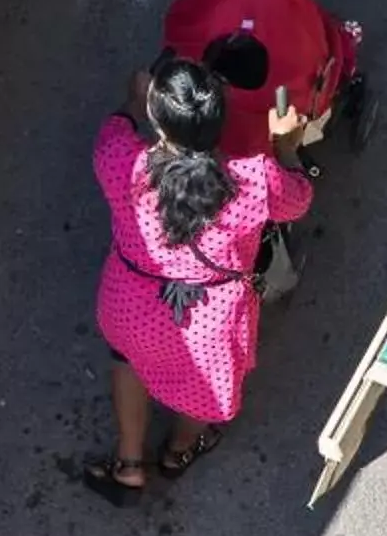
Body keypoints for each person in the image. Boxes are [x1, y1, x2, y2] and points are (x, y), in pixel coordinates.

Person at [84, 54, 312, 503]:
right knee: (201, 389)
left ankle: (129, 462)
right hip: (208, 321)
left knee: (128, 359)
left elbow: (116, 127)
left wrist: (133, 100)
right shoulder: (252, 183)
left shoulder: (119, 160)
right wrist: (287, 145)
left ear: (158, 119)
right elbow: (299, 199)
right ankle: (180, 450)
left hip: (130, 303)